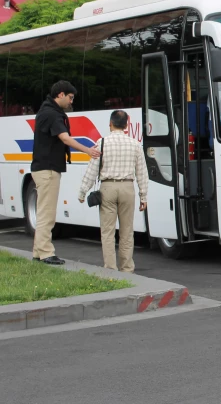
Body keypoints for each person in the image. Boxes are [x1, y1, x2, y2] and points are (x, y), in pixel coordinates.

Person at [31, 81, 101, 265]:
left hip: (44, 168)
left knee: (44, 212)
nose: (71, 102)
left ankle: (39, 252)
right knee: (47, 213)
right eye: (70, 98)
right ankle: (46, 253)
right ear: (60, 95)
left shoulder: (46, 110)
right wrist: (88, 150)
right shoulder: (52, 114)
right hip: (48, 169)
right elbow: (65, 138)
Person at [78, 110, 149, 273]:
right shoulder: (135, 144)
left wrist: (82, 192)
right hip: (127, 188)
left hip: (107, 188)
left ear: (110, 124)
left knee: (108, 231)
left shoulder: (102, 143)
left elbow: (92, 170)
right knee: (127, 231)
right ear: (126, 125)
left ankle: (110, 268)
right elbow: (142, 172)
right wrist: (143, 196)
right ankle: (127, 267)